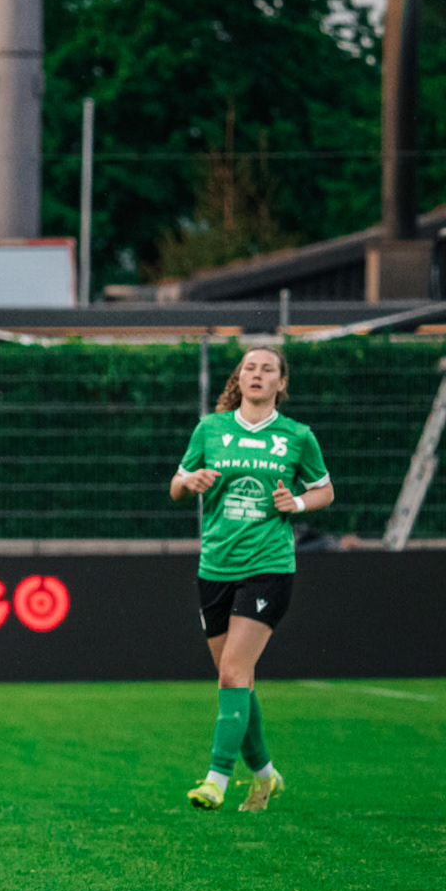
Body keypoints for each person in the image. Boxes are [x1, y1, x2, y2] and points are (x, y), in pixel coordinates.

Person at [169, 346, 333, 812]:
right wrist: (192, 481)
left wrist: (297, 504)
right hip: (215, 566)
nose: (257, 375)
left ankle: (216, 779)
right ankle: (266, 776)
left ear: (282, 383)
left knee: (232, 673)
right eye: (249, 368)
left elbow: (325, 490)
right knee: (236, 680)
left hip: (269, 566)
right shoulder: (211, 429)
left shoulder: (297, 437)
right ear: (238, 380)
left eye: (267, 369)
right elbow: (176, 486)